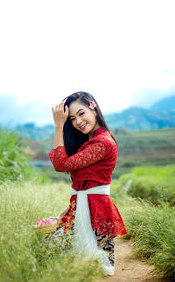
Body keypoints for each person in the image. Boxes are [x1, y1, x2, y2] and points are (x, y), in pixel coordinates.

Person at [46, 91, 127, 276]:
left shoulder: (103, 143)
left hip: (96, 214)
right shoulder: (90, 141)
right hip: (83, 210)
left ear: (93, 107)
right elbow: (83, 186)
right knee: (50, 253)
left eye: (81, 113)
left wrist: (58, 125)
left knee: (89, 267)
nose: (78, 122)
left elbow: (61, 165)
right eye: (72, 119)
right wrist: (67, 212)